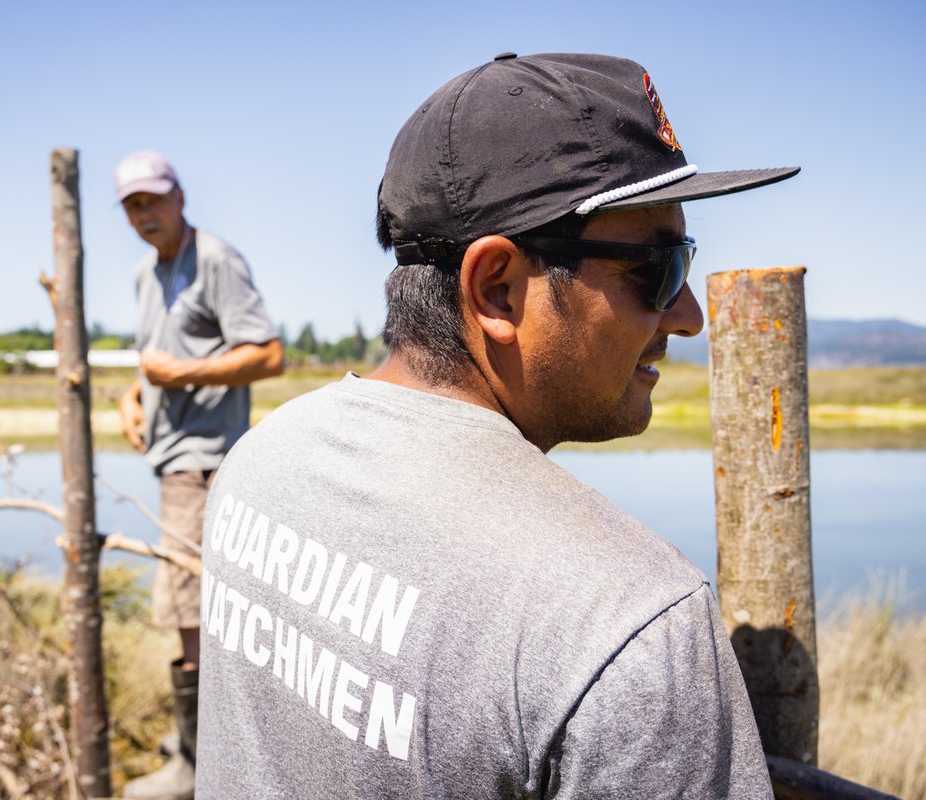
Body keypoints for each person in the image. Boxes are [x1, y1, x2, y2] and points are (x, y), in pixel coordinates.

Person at [195, 53, 799, 798]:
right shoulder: (631, 623)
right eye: (658, 267)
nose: (690, 316)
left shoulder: (260, 463)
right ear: (497, 288)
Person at [114, 149, 284, 800]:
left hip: (207, 460)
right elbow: (159, 355)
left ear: (180, 197)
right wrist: (136, 397)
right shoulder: (144, 274)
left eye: (153, 199)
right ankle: (202, 753)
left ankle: (198, 768)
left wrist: (177, 377)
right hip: (173, 458)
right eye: (132, 205)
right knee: (197, 614)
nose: (144, 213)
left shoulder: (214, 258)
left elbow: (267, 354)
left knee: (193, 614)